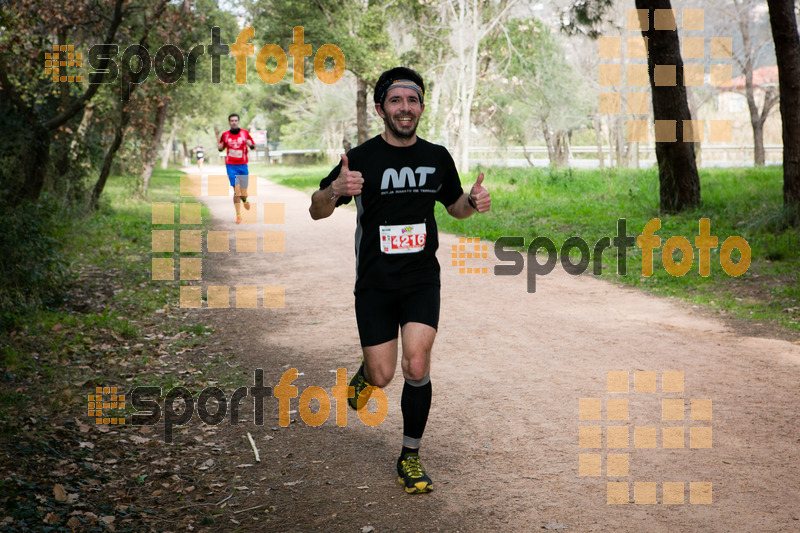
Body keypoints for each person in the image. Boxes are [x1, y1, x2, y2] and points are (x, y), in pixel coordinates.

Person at [309, 67, 491, 495]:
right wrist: (335, 189)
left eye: (412, 101)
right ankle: (366, 375)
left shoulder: (437, 157)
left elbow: (455, 208)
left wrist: (472, 202)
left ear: (421, 107)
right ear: (380, 109)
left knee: (417, 364)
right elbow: (316, 210)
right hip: (374, 283)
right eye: (395, 101)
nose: (404, 108)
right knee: (383, 375)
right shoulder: (362, 159)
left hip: (421, 280)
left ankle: (409, 456)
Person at [218, 114, 255, 224]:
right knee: (236, 191)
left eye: (235, 120)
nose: (234, 122)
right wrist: (219, 147)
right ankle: (238, 215)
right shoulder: (225, 135)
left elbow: (253, 146)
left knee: (243, 193)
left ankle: (245, 199)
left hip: (243, 165)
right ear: (229, 122)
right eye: (231, 120)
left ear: (238, 122)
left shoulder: (245, 133)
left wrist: (250, 144)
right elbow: (221, 147)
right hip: (231, 165)